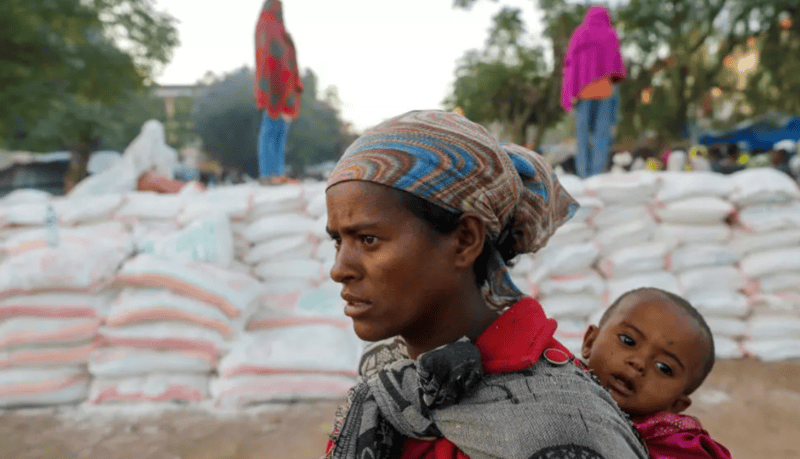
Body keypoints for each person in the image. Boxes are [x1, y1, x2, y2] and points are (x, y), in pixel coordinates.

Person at [323, 110, 648, 459]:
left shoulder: (560, 421)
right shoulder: (389, 375)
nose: (339, 270)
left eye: (369, 239)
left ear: (465, 239)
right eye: (338, 242)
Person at [582, 288, 732, 459]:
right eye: (628, 341)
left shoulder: (679, 450)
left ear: (676, 405)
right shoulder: (554, 386)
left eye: (664, 367)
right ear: (590, 342)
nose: (639, 363)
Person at [561, 5, 627, 178]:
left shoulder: (580, 33)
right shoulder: (610, 34)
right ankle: (597, 174)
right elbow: (616, 64)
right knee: (601, 134)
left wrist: (570, 91)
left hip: (583, 92)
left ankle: (583, 173)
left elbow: (570, 64)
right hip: (605, 91)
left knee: (582, 135)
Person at [254, 0, 303, 184]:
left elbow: (287, 57)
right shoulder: (266, 25)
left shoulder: (281, 30)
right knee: (270, 128)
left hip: (285, 86)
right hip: (273, 84)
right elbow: (267, 56)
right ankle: (268, 173)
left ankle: (278, 173)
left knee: (281, 130)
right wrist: (270, 86)